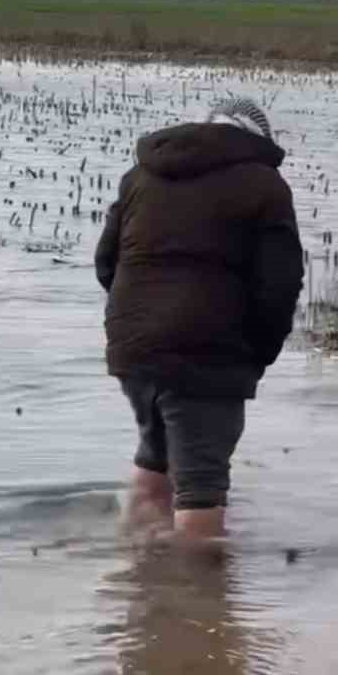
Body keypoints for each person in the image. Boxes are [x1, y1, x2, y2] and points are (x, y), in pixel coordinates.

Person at [95, 98, 303, 541]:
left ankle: (137, 576)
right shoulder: (264, 185)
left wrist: (136, 320)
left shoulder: (140, 176)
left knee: (157, 456)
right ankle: (196, 603)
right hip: (208, 352)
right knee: (201, 488)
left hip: (133, 349)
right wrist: (256, 355)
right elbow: (280, 286)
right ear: (257, 140)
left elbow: (106, 264)